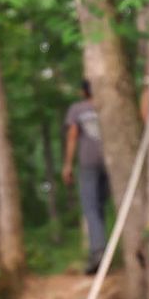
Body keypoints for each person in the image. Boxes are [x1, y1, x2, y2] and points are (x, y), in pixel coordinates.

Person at [61, 79, 110, 274]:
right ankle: (101, 248)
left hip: (88, 162)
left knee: (90, 207)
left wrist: (67, 164)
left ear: (83, 92)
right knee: (99, 206)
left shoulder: (77, 109)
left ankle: (98, 251)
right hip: (109, 161)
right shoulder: (107, 107)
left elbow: (72, 135)